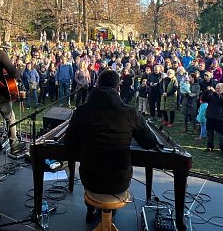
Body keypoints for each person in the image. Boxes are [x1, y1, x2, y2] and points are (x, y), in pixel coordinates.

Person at [64, 70, 158, 223]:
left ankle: (91, 208)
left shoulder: (81, 111)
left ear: (97, 85)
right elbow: (149, 142)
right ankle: (110, 212)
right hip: (119, 181)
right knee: (111, 178)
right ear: (117, 88)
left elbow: (68, 143)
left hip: (89, 178)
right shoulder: (130, 112)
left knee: (95, 175)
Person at [202, 83, 223, 153]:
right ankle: (209, 146)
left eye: (218, 88)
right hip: (210, 116)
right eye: (216, 88)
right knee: (209, 132)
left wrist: (215, 92)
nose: (216, 89)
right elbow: (204, 99)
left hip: (219, 118)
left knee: (220, 134)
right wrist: (206, 91)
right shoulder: (212, 94)